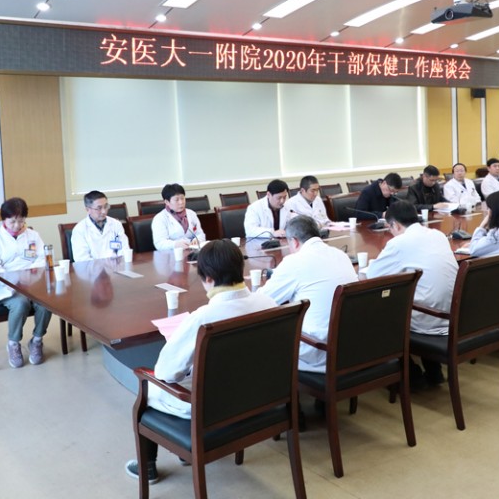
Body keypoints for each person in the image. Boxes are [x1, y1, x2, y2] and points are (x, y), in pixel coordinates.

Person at [125, 240, 276, 484]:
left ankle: (148, 466)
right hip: (260, 397)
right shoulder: (268, 303)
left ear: (208, 278)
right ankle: (181, 453)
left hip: (213, 407)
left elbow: (166, 372)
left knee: (149, 386)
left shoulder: (203, 319)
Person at [366, 201, 458, 386]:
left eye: (389, 228)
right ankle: (433, 371)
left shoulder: (400, 242)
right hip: (455, 313)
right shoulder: (437, 234)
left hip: (430, 318)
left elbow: (373, 275)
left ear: (395, 225)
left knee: (378, 312)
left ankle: (410, 375)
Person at [259, 216, 357, 372]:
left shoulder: (294, 262)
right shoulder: (340, 255)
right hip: (350, 343)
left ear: (294, 241)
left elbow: (262, 302)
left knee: (264, 333)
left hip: (319, 348)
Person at [0, 197, 52, 369]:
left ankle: (37, 340)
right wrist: (14, 279)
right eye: (12, 221)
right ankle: (13, 343)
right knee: (20, 304)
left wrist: (30, 276)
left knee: (47, 304)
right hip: (7, 286)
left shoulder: (33, 235)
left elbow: (41, 258)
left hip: (32, 283)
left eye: (21, 221)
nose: (17, 225)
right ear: (4, 219)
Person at [72, 190, 130, 262]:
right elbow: (82, 260)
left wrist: (118, 264)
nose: (104, 211)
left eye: (106, 206)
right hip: (92, 268)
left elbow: (124, 250)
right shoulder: (80, 230)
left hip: (117, 266)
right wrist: (103, 266)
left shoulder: (116, 224)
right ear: (88, 209)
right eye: (99, 208)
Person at [151, 183, 205, 251]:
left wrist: (197, 240)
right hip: (172, 254)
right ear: (167, 202)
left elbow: (200, 234)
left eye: (182, 198)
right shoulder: (160, 218)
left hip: (192, 252)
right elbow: (160, 243)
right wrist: (175, 244)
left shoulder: (191, 213)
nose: (181, 202)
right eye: (176, 200)